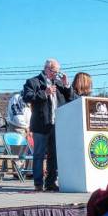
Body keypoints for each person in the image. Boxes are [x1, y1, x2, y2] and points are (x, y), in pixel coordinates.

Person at [23, 59, 74, 192]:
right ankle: (38, 184)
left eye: (58, 72)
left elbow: (72, 98)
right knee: (39, 155)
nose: (56, 75)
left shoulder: (59, 84)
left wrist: (66, 84)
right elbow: (27, 97)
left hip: (56, 125)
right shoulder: (33, 82)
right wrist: (44, 93)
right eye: (54, 72)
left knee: (54, 155)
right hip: (41, 124)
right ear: (47, 69)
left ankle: (51, 182)